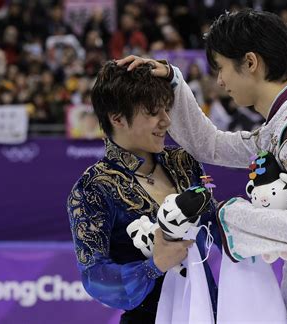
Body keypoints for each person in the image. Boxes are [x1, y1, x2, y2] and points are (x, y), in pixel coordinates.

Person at [118, 8, 287, 324]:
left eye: (222, 68)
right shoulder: (278, 130)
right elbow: (209, 145)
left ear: (251, 63)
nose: (221, 80)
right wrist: (173, 81)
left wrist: (224, 214)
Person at [66, 61, 218, 324]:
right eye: (152, 112)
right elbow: (94, 277)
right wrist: (153, 266)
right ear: (117, 118)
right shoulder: (94, 188)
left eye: (166, 109)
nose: (166, 121)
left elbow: (215, 225)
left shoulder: (183, 161)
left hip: (208, 311)